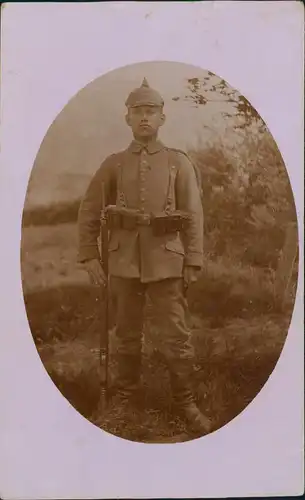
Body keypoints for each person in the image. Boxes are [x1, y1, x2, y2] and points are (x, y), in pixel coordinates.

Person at [77, 78, 212, 436]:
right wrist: (90, 256)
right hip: (122, 262)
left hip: (167, 260)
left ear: (162, 119)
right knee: (125, 332)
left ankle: (185, 401)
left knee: (175, 333)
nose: (144, 118)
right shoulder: (114, 165)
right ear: (127, 119)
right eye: (138, 112)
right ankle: (125, 398)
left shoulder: (177, 163)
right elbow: (89, 211)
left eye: (151, 111)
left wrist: (194, 259)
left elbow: (194, 214)